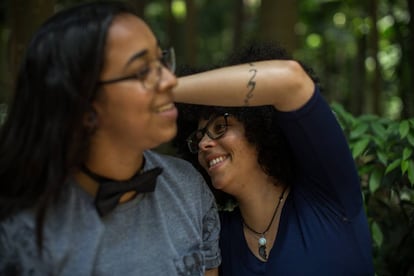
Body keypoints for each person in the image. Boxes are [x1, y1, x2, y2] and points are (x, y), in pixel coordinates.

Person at [0, 2, 220, 275]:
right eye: (142, 71)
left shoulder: (188, 188)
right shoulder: (19, 234)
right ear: (84, 104)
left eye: (161, 61)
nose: (170, 81)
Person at [173, 43, 374, 275]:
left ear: (259, 129)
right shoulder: (215, 238)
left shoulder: (328, 194)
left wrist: (164, 88)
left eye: (219, 127)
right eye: (198, 137)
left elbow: (290, 80)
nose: (202, 144)